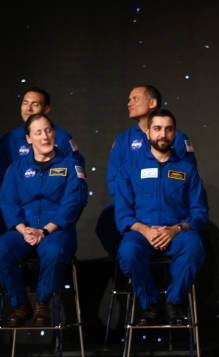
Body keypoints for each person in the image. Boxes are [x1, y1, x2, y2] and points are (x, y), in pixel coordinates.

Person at [114, 109, 207, 325]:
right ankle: (150, 304)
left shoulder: (187, 169)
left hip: (176, 233)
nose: (162, 134)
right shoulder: (129, 168)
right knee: (128, 253)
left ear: (175, 134)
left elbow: (200, 212)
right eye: (157, 129)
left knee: (195, 247)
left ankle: (174, 301)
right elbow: (123, 213)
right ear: (148, 133)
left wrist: (175, 229)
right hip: (141, 233)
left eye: (168, 129)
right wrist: (146, 230)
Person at [0, 113, 88, 327]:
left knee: (53, 251)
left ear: (54, 133)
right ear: (29, 139)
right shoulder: (16, 168)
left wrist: (45, 231)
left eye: (48, 130)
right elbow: (8, 203)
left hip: (56, 230)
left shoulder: (70, 165)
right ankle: (20, 304)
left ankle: (42, 303)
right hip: (24, 231)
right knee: (2, 247)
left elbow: (73, 203)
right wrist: (24, 230)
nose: (45, 136)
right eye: (38, 132)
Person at [96, 85, 196, 255]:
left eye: (135, 99)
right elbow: (113, 179)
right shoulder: (123, 140)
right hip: (133, 209)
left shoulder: (177, 138)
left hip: (170, 211)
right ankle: (128, 275)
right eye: (128, 100)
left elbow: (187, 176)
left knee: (194, 240)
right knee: (107, 224)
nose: (129, 103)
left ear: (152, 103)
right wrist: (133, 209)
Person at [0, 87, 84, 233]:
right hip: (18, 216)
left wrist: (58, 224)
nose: (28, 108)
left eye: (35, 104)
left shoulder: (62, 138)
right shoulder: (9, 140)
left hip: (54, 216)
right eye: (25, 103)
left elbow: (76, 184)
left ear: (46, 109)